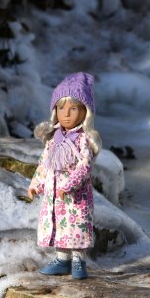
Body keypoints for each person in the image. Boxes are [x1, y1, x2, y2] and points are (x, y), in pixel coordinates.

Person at [27, 72, 102, 280]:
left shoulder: (82, 140)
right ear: (54, 111)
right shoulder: (53, 139)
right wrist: (36, 185)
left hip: (75, 197)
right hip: (54, 196)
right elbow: (44, 164)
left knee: (75, 227)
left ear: (85, 112)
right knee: (58, 226)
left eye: (73, 108)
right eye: (61, 108)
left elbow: (85, 167)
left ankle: (78, 261)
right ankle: (62, 260)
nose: (66, 114)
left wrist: (69, 185)